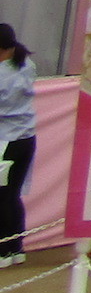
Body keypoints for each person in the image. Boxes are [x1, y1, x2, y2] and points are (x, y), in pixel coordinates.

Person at [0, 25, 37, 269]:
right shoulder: (27, 64)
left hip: (6, 140)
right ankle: (17, 248)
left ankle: (3, 251)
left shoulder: (3, 73)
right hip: (27, 138)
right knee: (13, 195)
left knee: (2, 195)